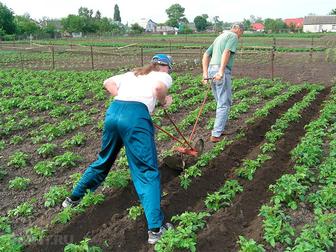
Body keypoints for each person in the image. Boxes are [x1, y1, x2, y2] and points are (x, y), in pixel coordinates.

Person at [62, 54, 174, 244]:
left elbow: (107, 82)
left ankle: (72, 199)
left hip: (114, 112)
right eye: (168, 68)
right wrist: (163, 101)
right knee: (146, 171)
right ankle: (156, 229)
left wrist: (126, 99)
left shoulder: (134, 73)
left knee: (104, 159)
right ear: (166, 67)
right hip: (136, 118)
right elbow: (158, 89)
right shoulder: (162, 75)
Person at [202, 23, 244, 143]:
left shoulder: (220, 37)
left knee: (221, 101)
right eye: (241, 33)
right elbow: (227, 52)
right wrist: (221, 71)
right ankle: (215, 135)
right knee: (224, 103)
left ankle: (219, 129)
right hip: (221, 71)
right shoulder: (233, 36)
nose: (240, 36)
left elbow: (206, 54)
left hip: (211, 70)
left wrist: (205, 74)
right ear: (238, 29)